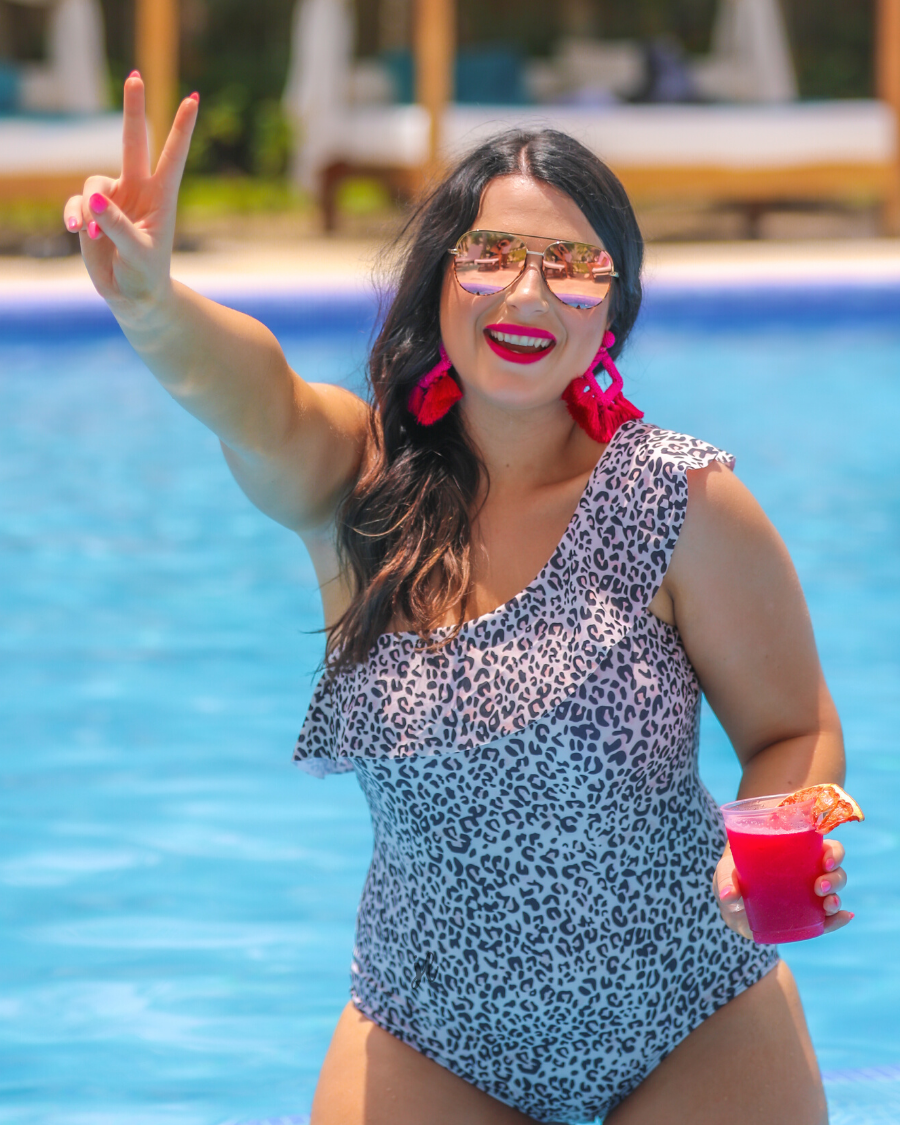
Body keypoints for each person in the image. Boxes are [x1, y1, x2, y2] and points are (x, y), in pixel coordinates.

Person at [65, 74, 851, 1125]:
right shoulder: (358, 484)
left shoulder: (680, 501)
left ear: (614, 310)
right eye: (490, 255)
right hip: (430, 1031)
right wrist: (154, 304)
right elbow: (255, 400)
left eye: (575, 267)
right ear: (437, 279)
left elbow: (793, 726)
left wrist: (782, 834)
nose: (528, 294)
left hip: (691, 1013)